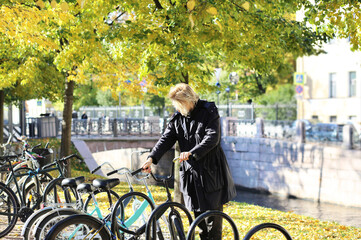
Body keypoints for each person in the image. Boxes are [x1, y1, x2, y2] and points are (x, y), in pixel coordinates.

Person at [141, 83, 236, 240]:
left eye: (178, 104)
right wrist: (151, 159)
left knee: (213, 225)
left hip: (211, 174)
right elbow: (165, 139)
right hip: (191, 176)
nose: (176, 108)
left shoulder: (209, 111)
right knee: (200, 225)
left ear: (187, 100)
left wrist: (192, 153)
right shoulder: (178, 118)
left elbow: (212, 138)